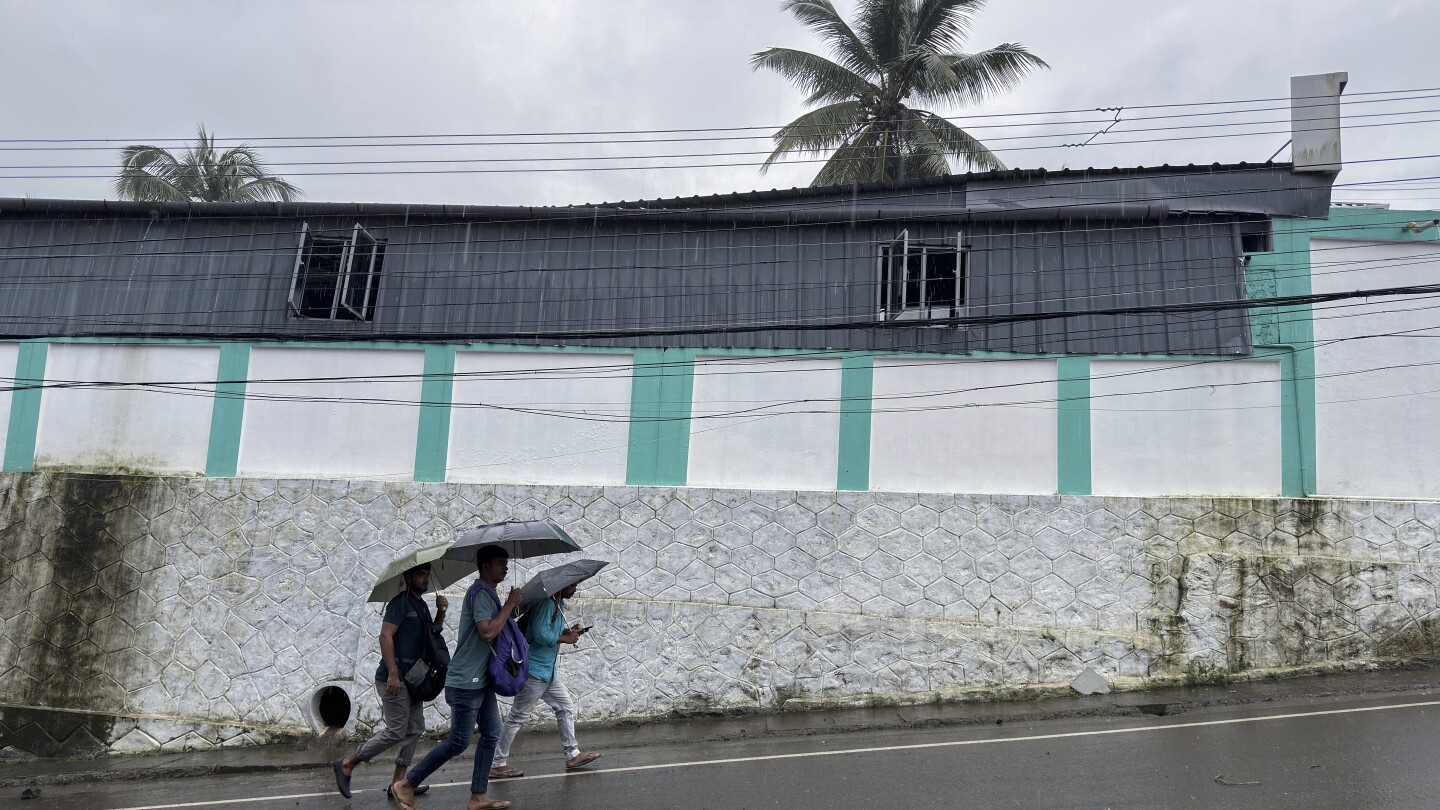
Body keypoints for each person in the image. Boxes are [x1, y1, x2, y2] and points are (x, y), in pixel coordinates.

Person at [391, 544, 522, 810]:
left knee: (491, 734)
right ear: (485, 566)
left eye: (506, 562)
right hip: (466, 681)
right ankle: (406, 783)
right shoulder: (480, 593)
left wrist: (512, 606)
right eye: (500, 562)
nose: (505, 567)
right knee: (459, 741)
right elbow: (487, 632)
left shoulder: (489, 594)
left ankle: (478, 796)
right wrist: (510, 604)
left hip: (481, 679)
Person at [332, 562, 447, 799]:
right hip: (394, 679)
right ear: (408, 577)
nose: (425, 579)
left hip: (413, 679)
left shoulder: (422, 605)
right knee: (397, 730)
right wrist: (393, 673)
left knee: (415, 728)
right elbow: (385, 637)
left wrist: (441, 612)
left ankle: (399, 783)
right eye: (420, 575)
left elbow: (430, 633)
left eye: (427, 575)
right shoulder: (399, 604)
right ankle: (347, 764)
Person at [490, 583, 600, 779]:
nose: (575, 589)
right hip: (534, 672)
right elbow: (540, 635)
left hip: (548, 673)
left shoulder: (558, 605)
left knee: (565, 707)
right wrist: (564, 639)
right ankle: (497, 762)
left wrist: (568, 631)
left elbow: (548, 630)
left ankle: (573, 755)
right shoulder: (547, 605)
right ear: (562, 585)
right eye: (573, 585)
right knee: (517, 717)